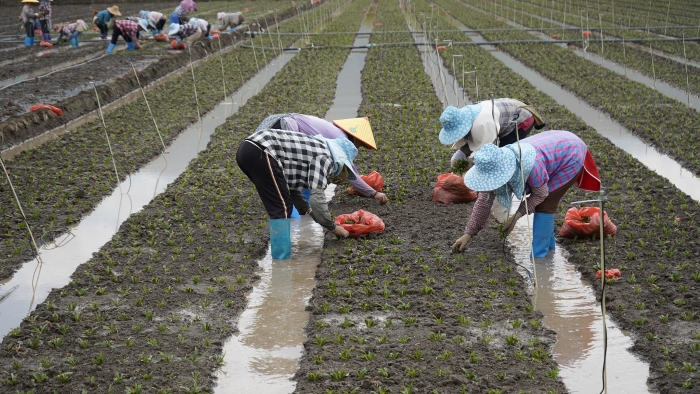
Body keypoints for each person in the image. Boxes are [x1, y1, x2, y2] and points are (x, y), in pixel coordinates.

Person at [452, 130, 600, 257]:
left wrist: (517, 216)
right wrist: (468, 234)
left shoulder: (529, 166)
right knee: (543, 203)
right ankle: (549, 249)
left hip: (570, 153)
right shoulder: (493, 165)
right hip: (553, 145)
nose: (489, 185)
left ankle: (540, 257)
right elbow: (483, 203)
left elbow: (540, 194)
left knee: (545, 204)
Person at [237, 128, 358, 238]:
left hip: (246, 150)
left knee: (281, 200)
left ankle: (282, 256)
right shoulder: (326, 158)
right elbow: (317, 199)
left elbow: (288, 188)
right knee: (281, 208)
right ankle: (281, 258)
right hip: (262, 150)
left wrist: (307, 209)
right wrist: (333, 227)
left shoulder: (316, 148)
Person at [255, 113, 388, 204]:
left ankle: (289, 198)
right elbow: (351, 174)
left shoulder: (333, 129)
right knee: (288, 166)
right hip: (286, 128)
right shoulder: (339, 138)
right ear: (355, 137)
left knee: (273, 162)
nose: (357, 148)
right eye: (360, 145)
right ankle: (291, 201)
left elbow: (349, 171)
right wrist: (374, 194)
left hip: (276, 121)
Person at [439, 98, 546, 168]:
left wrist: (470, 168)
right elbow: (468, 139)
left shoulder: (481, 125)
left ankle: (504, 184)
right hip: (501, 115)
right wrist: (459, 156)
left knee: (504, 153)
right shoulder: (463, 116)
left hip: (520, 119)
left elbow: (485, 151)